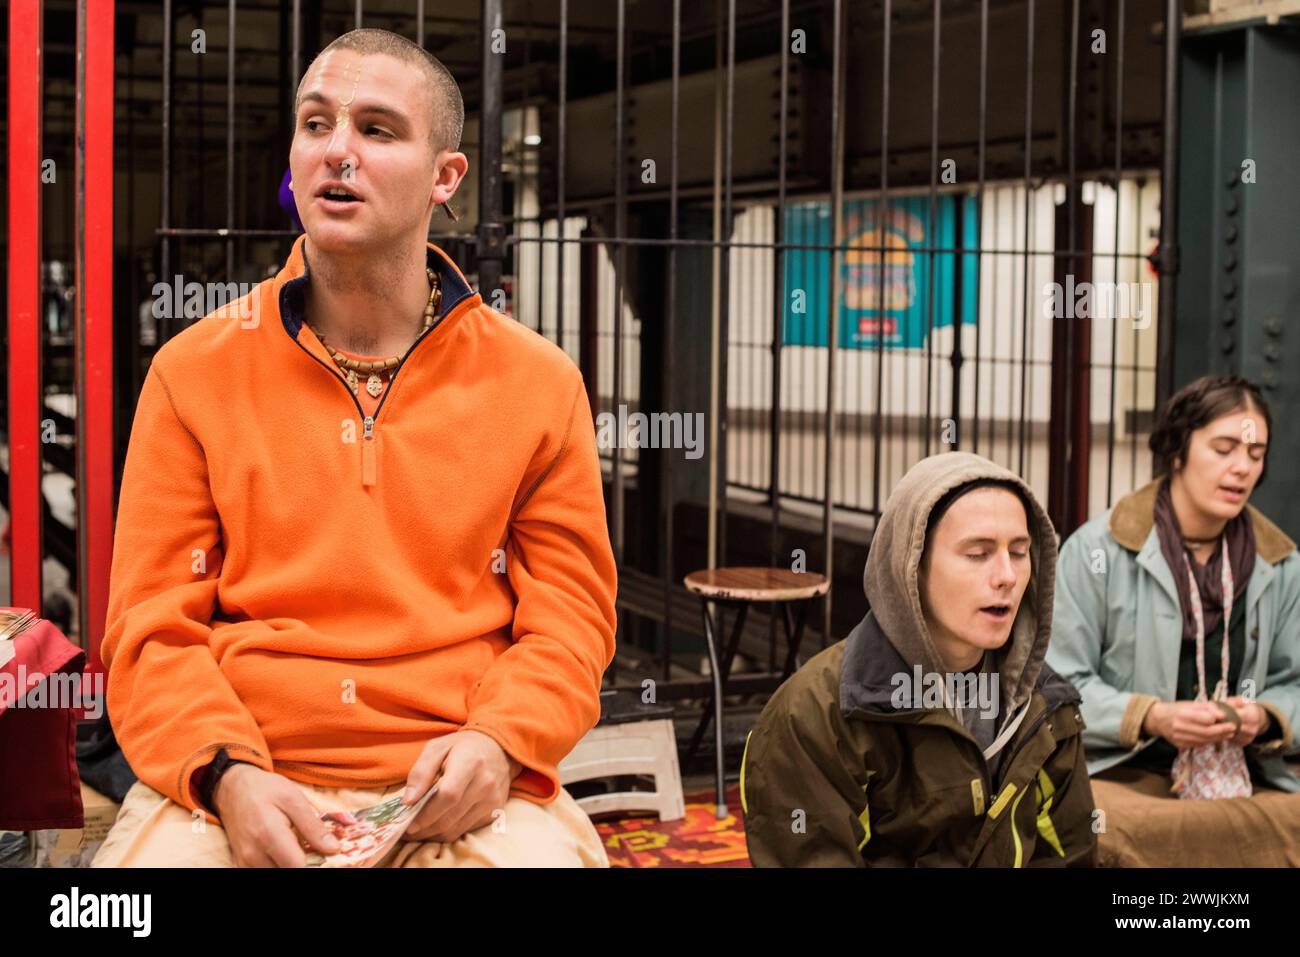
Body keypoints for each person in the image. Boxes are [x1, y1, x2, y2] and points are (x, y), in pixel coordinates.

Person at [93, 28, 616, 868]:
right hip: (244, 777)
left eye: (376, 129)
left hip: (460, 776)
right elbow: (152, 629)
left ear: (447, 178)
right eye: (315, 124)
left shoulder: (539, 383)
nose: (338, 150)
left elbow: (570, 622)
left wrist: (500, 741)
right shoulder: (192, 371)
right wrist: (225, 773)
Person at [741, 452, 1097, 866]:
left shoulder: (1047, 707)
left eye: (1019, 552)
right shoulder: (813, 716)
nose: (1008, 576)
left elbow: (1072, 855)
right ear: (910, 567)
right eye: (978, 553)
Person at [1048, 375, 1300, 866]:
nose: (1241, 468)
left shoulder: (1282, 564)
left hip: (1246, 773)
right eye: (1224, 448)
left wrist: (1265, 717)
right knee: (1109, 833)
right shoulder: (1097, 551)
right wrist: (1151, 716)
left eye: (1255, 453)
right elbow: (1055, 685)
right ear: (1179, 450)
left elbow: (1296, 683)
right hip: (1121, 769)